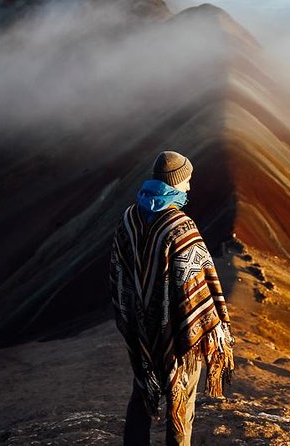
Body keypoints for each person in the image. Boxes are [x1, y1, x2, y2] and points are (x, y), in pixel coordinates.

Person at [110, 150, 234, 446]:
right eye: (187, 181)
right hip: (178, 335)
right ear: (175, 182)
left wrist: (135, 314)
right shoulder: (180, 226)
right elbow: (197, 285)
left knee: (142, 390)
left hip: (142, 330)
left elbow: (119, 272)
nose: (190, 188)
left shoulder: (128, 218)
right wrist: (207, 326)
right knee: (181, 401)